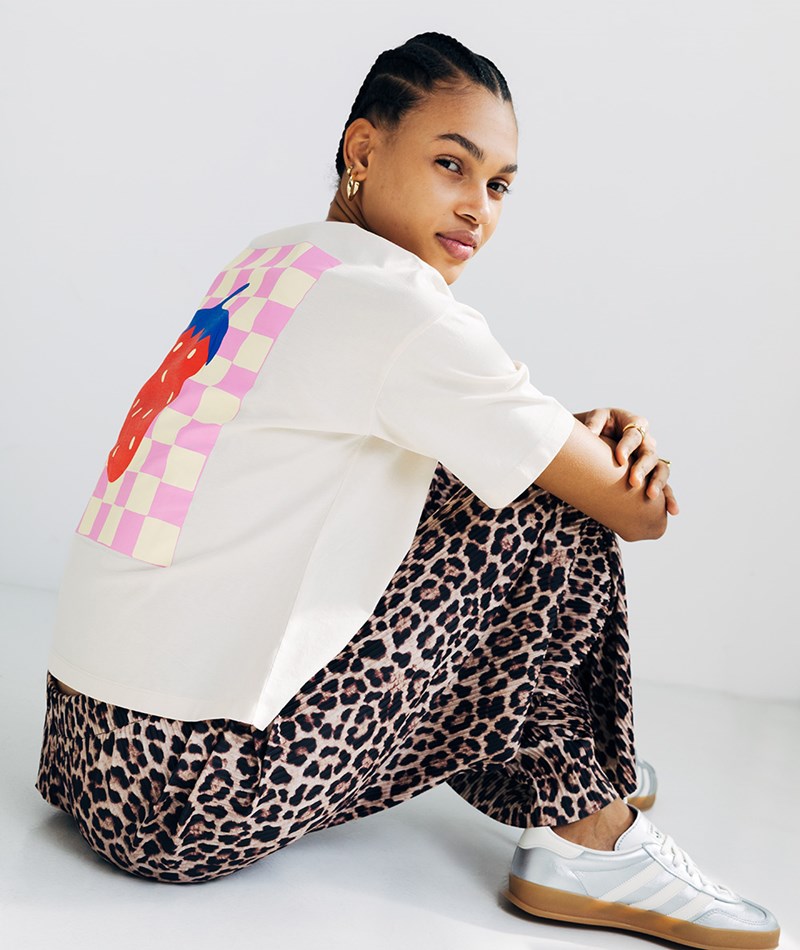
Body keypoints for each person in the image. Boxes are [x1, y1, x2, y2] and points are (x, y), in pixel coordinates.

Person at [35, 31, 779, 950]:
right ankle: (590, 836)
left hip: (87, 751)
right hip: (190, 800)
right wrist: (598, 455)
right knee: (549, 506)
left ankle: (569, 768)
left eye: (499, 185)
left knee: (497, 473)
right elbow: (638, 513)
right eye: (450, 165)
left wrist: (557, 436)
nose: (476, 208)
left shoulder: (272, 263)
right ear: (363, 148)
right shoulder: (400, 308)